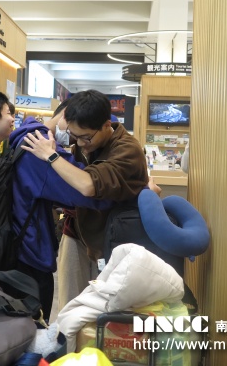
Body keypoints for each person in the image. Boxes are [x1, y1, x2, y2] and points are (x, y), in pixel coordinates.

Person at [21, 89, 151, 310]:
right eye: (74, 135)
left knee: (106, 312)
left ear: (106, 125)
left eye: (86, 137)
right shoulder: (84, 136)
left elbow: (88, 185)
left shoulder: (128, 150)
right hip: (77, 232)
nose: (80, 143)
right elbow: (49, 130)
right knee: (70, 308)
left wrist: (51, 156)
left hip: (113, 242)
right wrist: (59, 121)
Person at [8, 98, 111, 320]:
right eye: (77, 133)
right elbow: (86, 191)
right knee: (36, 326)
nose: (78, 141)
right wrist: (133, 190)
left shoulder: (25, 135)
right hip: (31, 254)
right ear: (66, 116)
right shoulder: (39, 147)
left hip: (17, 244)